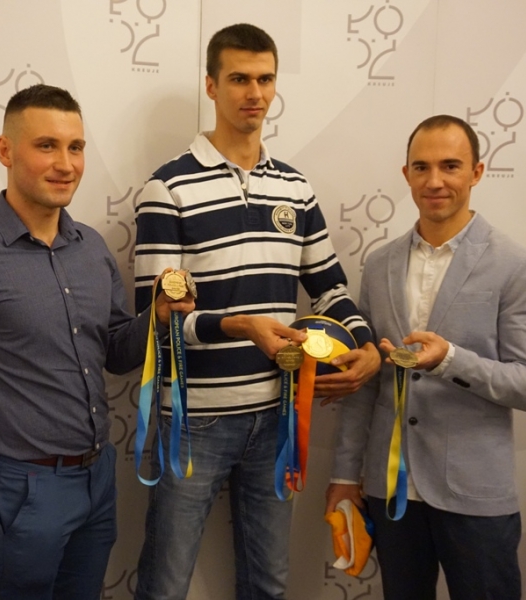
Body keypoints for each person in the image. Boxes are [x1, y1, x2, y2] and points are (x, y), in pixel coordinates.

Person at [0, 84, 193, 599]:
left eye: (76, 147)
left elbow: (116, 353)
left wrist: (157, 317)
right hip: (14, 492)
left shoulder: (92, 249)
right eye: (46, 146)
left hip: (97, 482)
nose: (65, 164)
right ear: (6, 151)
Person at [133, 23, 381, 599]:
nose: (255, 93)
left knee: (268, 585)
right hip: (194, 423)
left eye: (265, 79)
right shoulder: (167, 188)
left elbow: (330, 289)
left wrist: (366, 344)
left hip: (277, 416)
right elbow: (157, 320)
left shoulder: (295, 188)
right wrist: (242, 327)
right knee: (165, 586)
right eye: (239, 79)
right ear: (211, 85)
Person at [326, 115, 526, 600]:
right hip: (391, 490)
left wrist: (450, 359)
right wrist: (345, 475)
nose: (434, 181)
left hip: (475, 493)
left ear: (477, 172)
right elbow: (367, 381)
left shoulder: (518, 265)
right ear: (405, 174)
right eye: (421, 167)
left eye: (450, 166)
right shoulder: (379, 264)